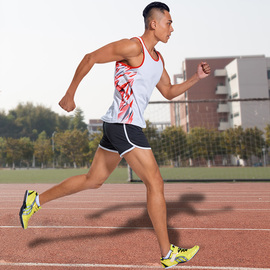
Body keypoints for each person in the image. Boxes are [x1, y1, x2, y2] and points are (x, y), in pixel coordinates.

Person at [19, 2, 211, 268]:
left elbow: (167, 91)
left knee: (93, 179)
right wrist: (70, 93)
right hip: (124, 125)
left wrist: (196, 78)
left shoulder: (158, 59)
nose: (172, 28)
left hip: (118, 125)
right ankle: (168, 255)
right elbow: (90, 57)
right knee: (155, 182)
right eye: (169, 23)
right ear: (153, 24)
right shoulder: (133, 47)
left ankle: (35, 201)